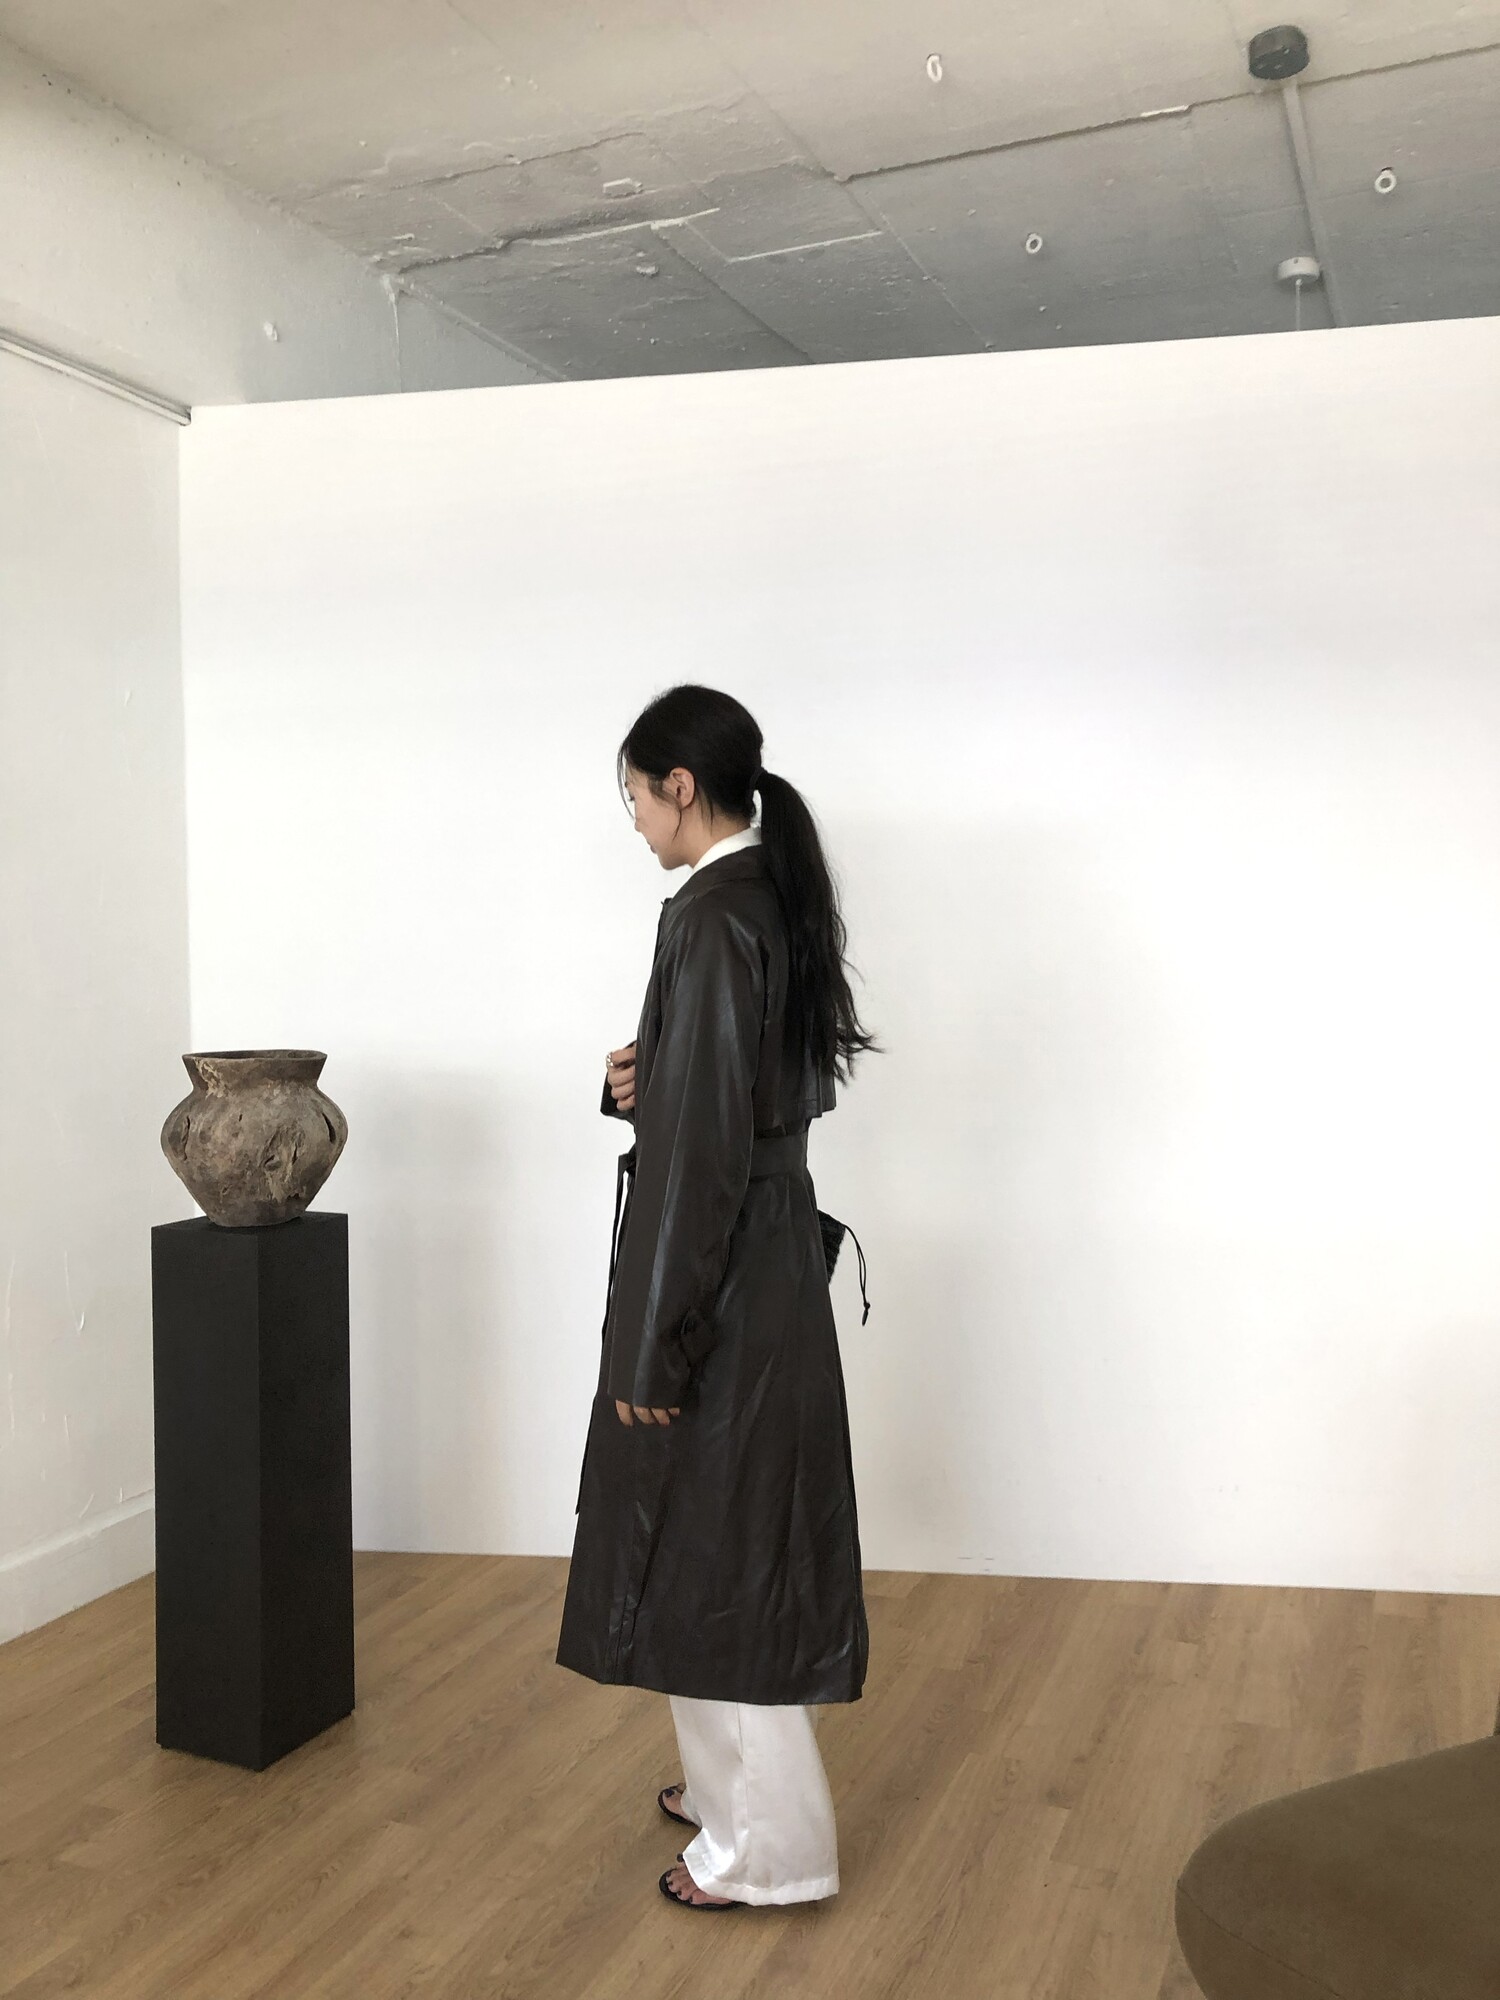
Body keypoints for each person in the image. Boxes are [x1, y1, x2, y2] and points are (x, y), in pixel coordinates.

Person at [554, 681, 882, 1911]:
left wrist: (655, 1343)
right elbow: (748, 1095)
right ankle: (724, 1792)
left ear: (681, 786)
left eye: (637, 796)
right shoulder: (756, 897)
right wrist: (645, 1077)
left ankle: (769, 1850)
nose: (636, 819)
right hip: (758, 1254)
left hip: (728, 1270)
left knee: (723, 1551)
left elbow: (699, 1161)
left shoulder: (715, 912)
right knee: (712, 1540)